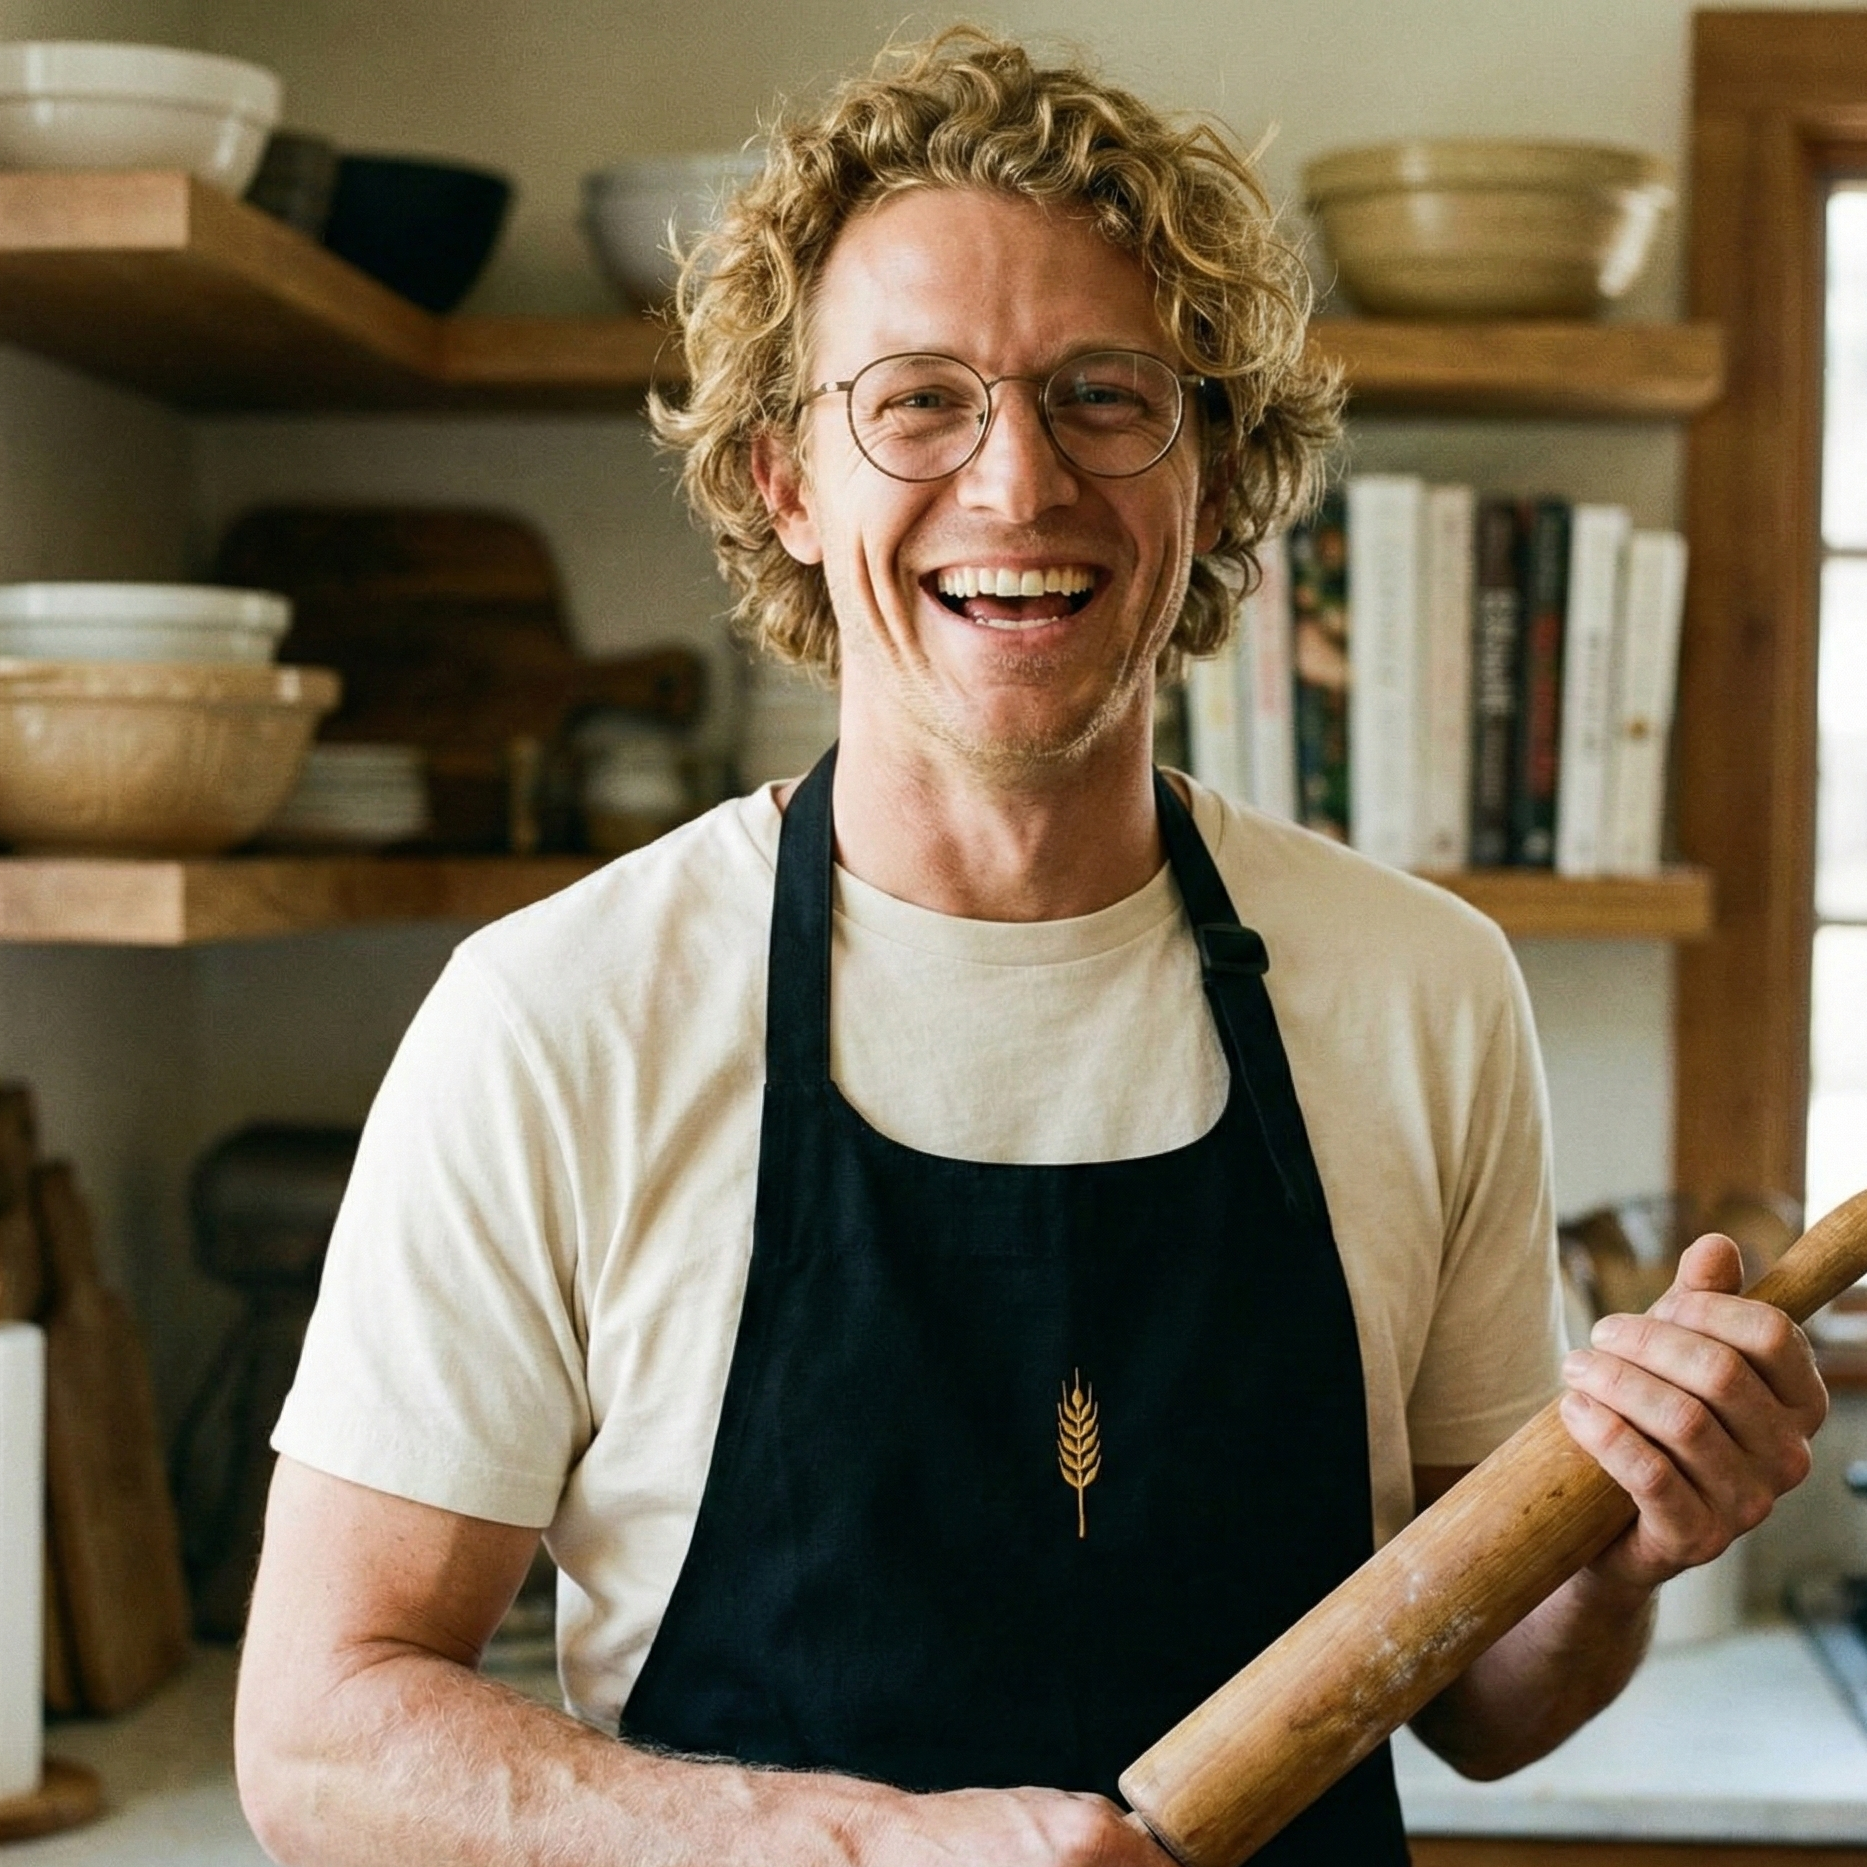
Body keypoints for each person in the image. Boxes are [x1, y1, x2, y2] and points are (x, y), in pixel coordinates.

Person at [235, 29, 1828, 1867]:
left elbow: (1475, 1698)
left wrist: (1624, 1543)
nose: (1015, 486)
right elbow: (321, 1735)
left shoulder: (1421, 989)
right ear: (784, 484)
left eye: (1101, 396)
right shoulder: (559, 1017)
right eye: (916, 400)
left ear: (1212, 471)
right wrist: (847, 1851)